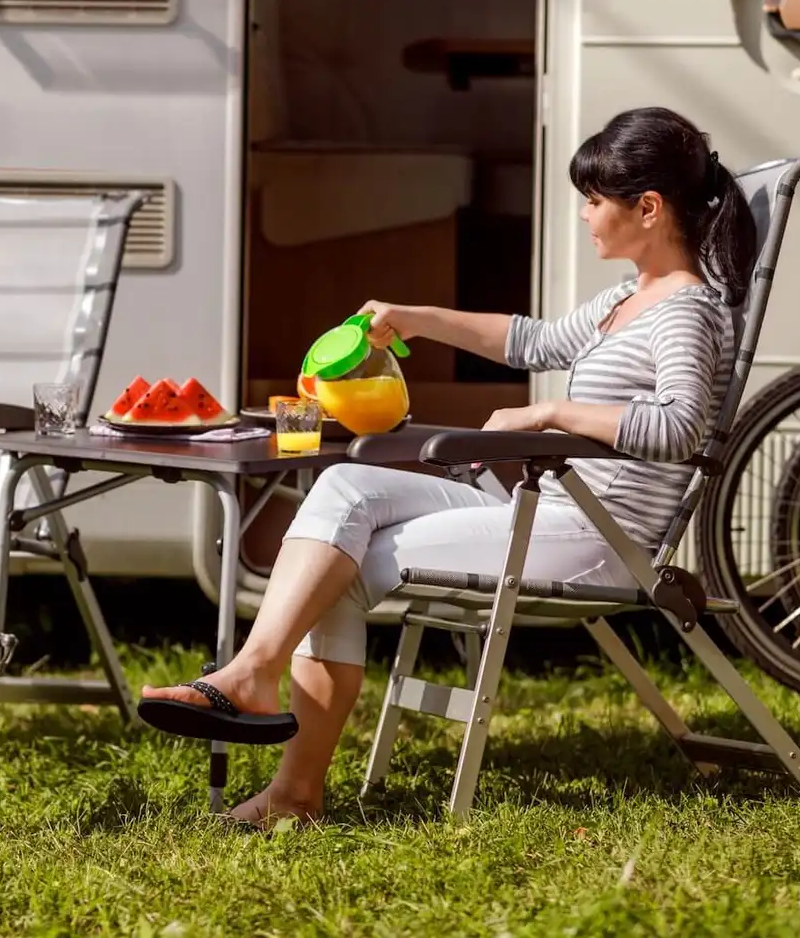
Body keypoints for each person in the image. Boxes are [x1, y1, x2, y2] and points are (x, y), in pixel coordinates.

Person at [138, 106, 759, 828]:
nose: (585, 214)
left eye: (594, 199)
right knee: (342, 491)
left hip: (597, 538)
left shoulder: (684, 310)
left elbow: (681, 429)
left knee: (333, 566)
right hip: (546, 510)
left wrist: (549, 415)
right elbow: (534, 340)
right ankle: (258, 687)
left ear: (647, 208)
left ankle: (285, 774)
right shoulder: (631, 298)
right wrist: (417, 316)